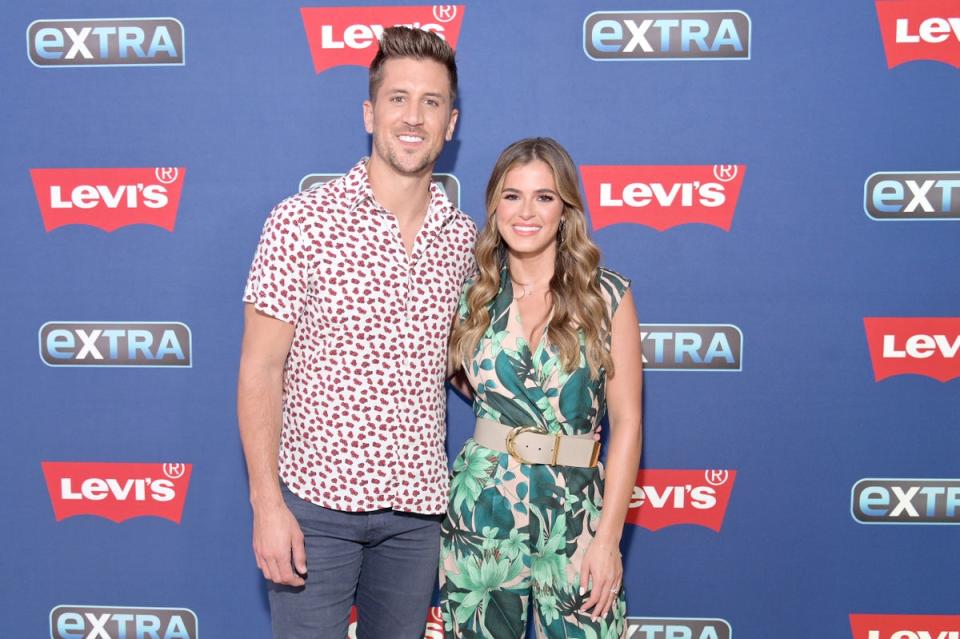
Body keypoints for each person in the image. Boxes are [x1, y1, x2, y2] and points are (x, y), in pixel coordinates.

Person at [237, 27, 475, 639]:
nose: (414, 117)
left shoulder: (465, 240)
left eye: (432, 102)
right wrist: (268, 505)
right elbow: (260, 369)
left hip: (418, 513)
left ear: (451, 123)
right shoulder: (300, 222)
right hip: (314, 509)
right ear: (371, 113)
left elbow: (470, 363)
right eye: (398, 99)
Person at [439, 138, 643, 638]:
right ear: (494, 206)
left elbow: (629, 423)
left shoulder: (607, 296)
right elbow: (459, 376)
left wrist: (608, 540)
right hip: (483, 505)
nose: (526, 211)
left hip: (577, 512)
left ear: (565, 209)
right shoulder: (473, 296)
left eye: (544, 197)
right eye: (512, 196)